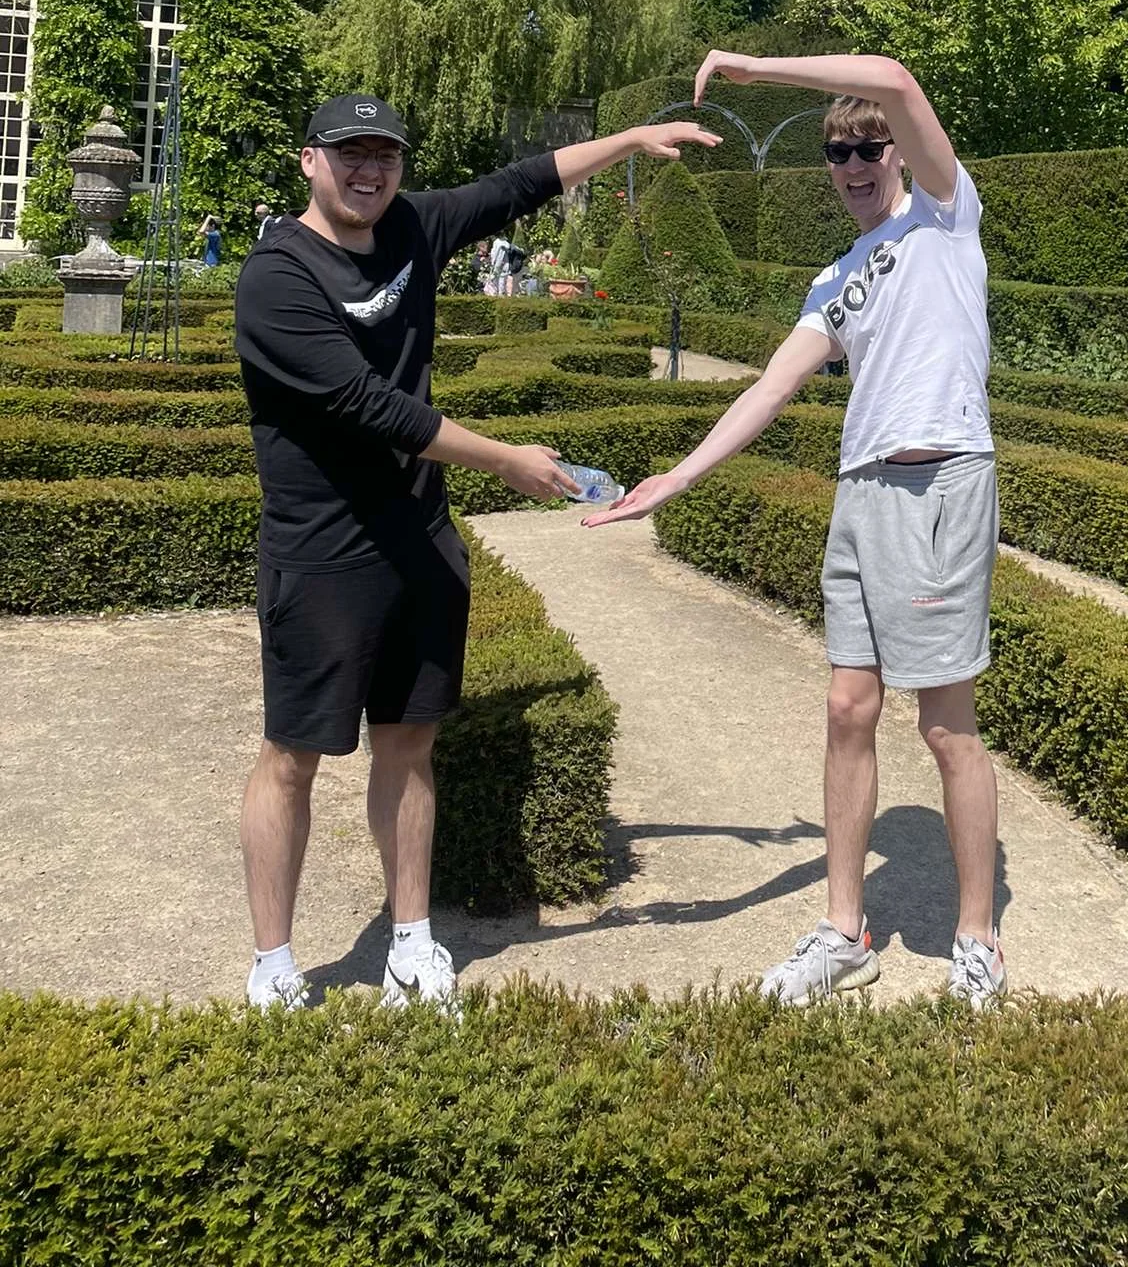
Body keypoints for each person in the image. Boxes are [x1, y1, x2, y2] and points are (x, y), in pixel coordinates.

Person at [235, 92, 718, 1012]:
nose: (369, 171)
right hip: (323, 554)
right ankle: (273, 961)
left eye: (385, 154)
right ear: (310, 162)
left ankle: (412, 942)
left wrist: (626, 141)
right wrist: (509, 461)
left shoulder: (414, 226)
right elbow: (374, 410)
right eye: (349, 155)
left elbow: (517, 186)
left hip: (418, 546)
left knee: (409, 747)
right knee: (292, 757)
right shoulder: (275, 276)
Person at [585, 50, 1005, 1009]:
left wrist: (744, 65)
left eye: (867, 146)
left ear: (900, 151)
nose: (853, 164)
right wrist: (676, 478)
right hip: (861, 494)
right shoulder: (836, 277)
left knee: (946, 730)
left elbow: (894, 74)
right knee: (846, 711)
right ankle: (843, 927)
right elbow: (771, 389)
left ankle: (976, 937)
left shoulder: (945, 214)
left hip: (937, 484)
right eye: (837, 151)